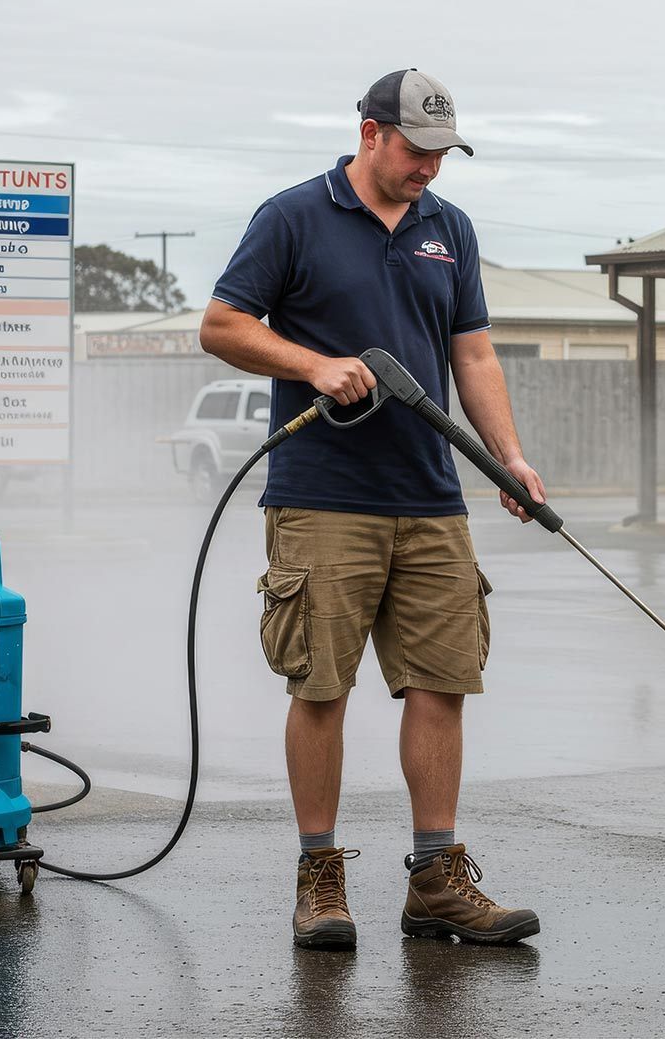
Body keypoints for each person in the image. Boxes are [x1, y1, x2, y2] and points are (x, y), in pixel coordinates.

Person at [199, 68, 543, 950]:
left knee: (443, 681)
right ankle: (320, 878)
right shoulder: (293, 216)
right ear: (370, 133)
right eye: (418, 150)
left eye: (443, 154)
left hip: (431, 495)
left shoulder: (448, 230)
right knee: (320, 684)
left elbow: (473, 356)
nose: (431, 168)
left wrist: (507, 457)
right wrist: (313, 364)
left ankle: (437, 881)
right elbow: (223, 324)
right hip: (322, 496)